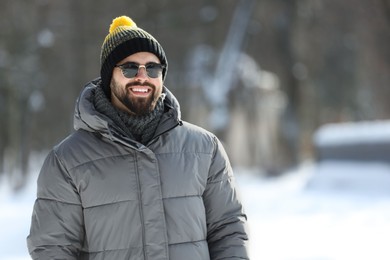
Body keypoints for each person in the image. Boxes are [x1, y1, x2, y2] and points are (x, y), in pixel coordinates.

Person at [27, 15, 249, 260]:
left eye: (152, 68)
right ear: (109, 75)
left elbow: (228, 231)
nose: (142, 76)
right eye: (129, 67)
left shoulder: (205, 149)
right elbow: (52, 249)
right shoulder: (67, 160)